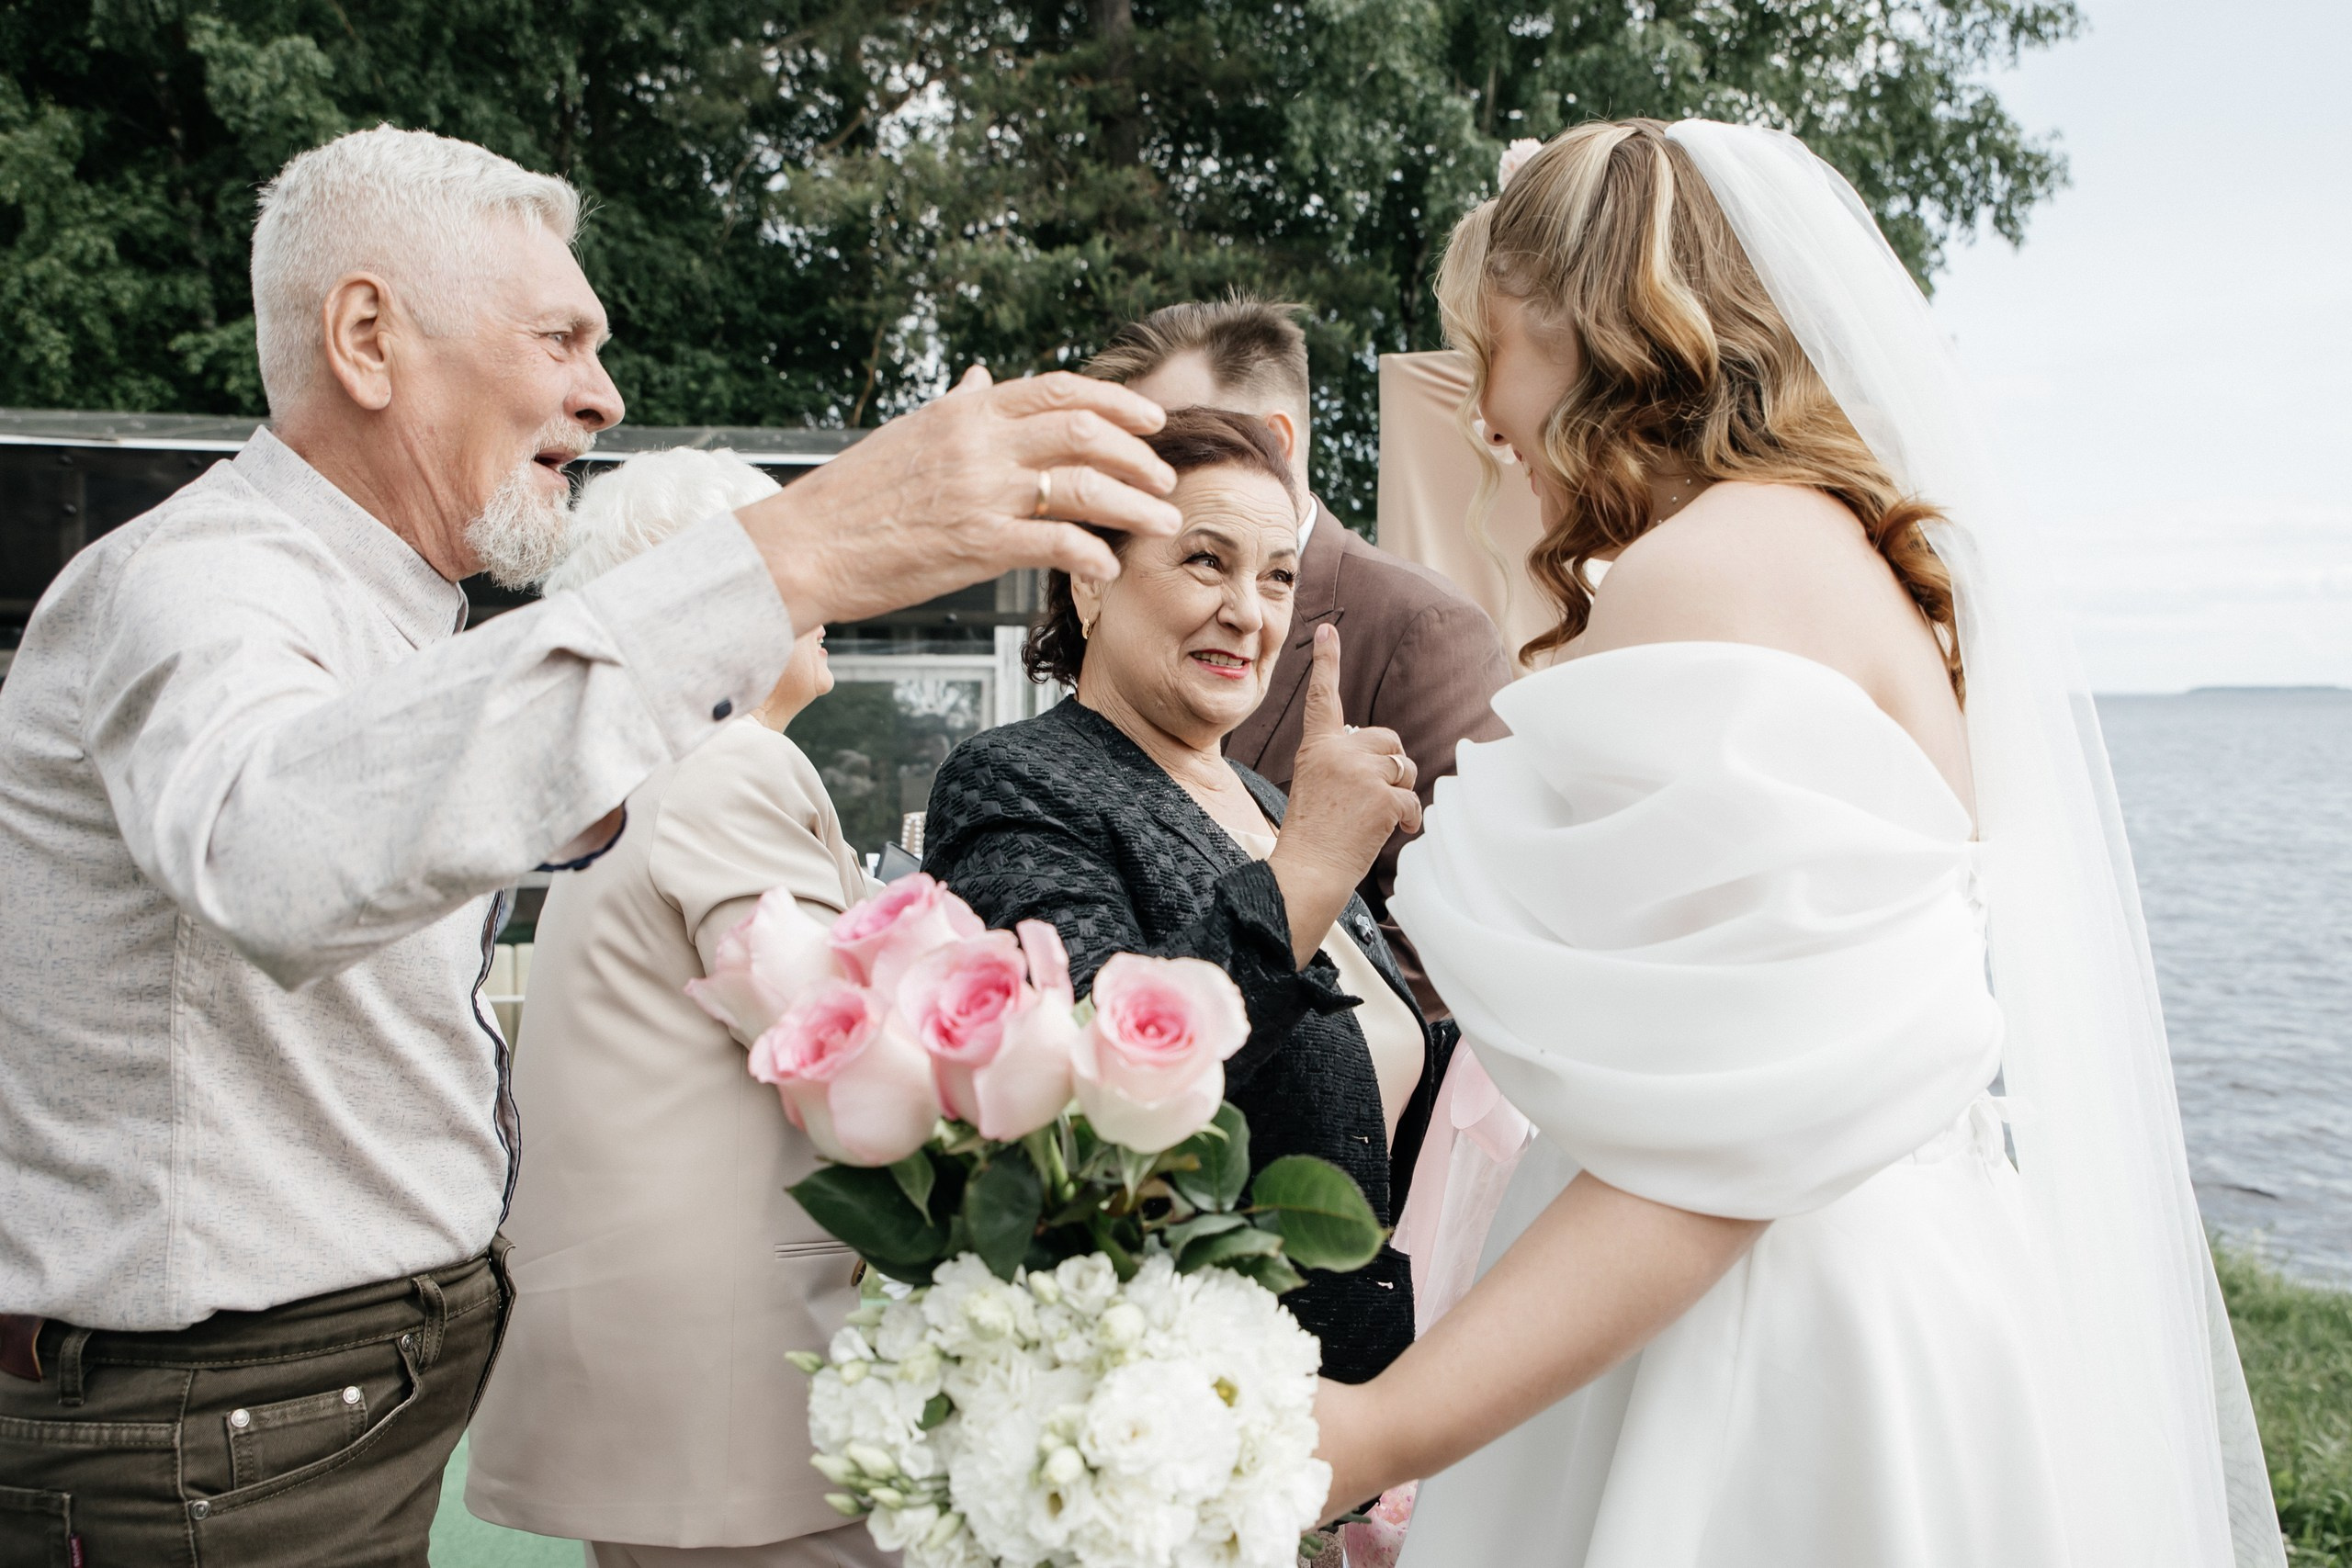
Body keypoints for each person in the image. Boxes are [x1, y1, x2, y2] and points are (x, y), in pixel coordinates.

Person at [0, 124, 1178, 1564]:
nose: (602, 395)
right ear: (369, 337)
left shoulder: (378, 610)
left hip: (301, 1415)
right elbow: (278, 852)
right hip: (230, 1435)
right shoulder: (203, 581)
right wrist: (789, 552)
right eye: (560, 336)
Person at [1312, 120, 2282, 1568]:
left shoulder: (1707, 565)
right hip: (1884, 1286)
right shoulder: (1840, 554)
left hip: (1758, 1341)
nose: (1478, 407)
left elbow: (1715, 1155)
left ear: (1595, 334)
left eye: (1490, 345)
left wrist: (1373, 1428)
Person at [921, 408, 1453, 1384]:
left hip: (1371, 1390)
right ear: (1090, 574)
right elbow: (1089, 1087)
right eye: (1205, 562)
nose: (1249, 612)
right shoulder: (1018, 780)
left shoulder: (1271, 803)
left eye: (1277, 576)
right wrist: (1305, 875)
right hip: (1178, 1392)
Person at [462, 448, 888, 1567]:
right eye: (788, 560)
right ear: (703, 600)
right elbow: (843, 1060)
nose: (826, 588)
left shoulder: (627, 783)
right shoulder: (728, 764)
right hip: (741, 1393)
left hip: (661, 1397)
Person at [1086, 299, 1513, 1013]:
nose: (1142, 487)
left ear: (1276, 445)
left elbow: (1453, 947)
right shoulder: (1129, 599)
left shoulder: (1423, 629)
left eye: (1175, 446)